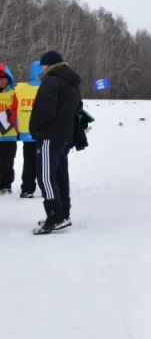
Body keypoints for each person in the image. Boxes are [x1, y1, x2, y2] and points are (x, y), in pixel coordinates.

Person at [29, 51, 83, 235]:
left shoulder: (51, 81)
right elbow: (78, 107)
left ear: (49, 65)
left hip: (49, 135)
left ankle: (55, 216)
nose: (41, 69)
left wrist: (34, 128)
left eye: (43, 65)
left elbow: (44, 111)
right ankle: (64, 213)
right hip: (65, 136)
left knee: (45, 176)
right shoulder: (72, 82)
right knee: (60, 174)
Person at [15, 61, 42, 198]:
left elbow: (13, 108)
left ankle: (27, 188)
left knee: (29, 161)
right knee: (44, 161)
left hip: (26, 133)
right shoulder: (48, 87)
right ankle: (46, 187)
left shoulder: (20, 89)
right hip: (43, 131)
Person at [0, 63, 18, 194]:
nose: (3, 82)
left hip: (9, 134)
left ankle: (6, 185)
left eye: (6, 79)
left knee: (8, 161)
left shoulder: (14, 93)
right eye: (1, 79)